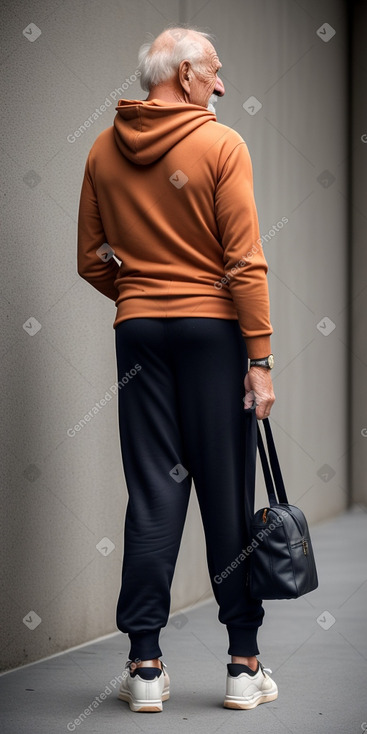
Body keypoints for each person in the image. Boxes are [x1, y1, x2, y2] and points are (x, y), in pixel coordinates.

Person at [77, 26, 277, 713]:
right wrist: (259, 358)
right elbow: (245, 261)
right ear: (187, 73)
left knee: (153, 494)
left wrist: (139, 298)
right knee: (225, 492)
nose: (221, 85)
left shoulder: (102, 149)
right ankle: (243, 665)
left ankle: (142, 664)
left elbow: (89, 258)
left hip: (139, 335)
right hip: (213, 334)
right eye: (215, 72)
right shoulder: (222, 144)